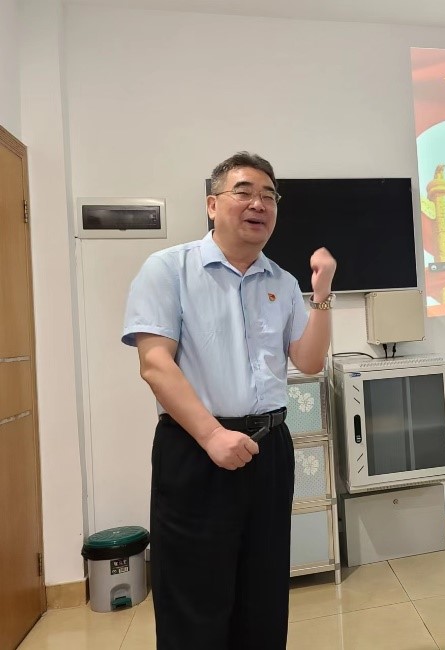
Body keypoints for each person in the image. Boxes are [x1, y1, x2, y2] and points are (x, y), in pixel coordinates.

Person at [122, 152, 335, 649]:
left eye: (269, 196)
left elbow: (308, 361)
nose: (259, 204)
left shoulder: (282, 281)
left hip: (269, 450)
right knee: (194, 596)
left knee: (263, 593)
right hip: (196, 449)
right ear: (212, 205)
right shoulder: (169, 269)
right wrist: (212, 435)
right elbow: (155, 364)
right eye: (244, 192)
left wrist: (321, 294)